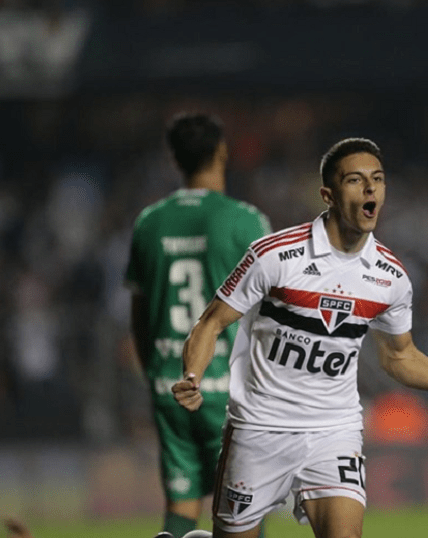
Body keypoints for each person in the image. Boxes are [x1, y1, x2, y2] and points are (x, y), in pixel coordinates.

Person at [171, 137, 428, 538]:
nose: (370, 189)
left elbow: (399, 357)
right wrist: (192, 376)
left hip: (334, 428)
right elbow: (211, 322)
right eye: (355, 180)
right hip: (260, 427)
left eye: (378, 180)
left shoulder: (389, 277)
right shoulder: (275, 256)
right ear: (328, 195)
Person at [125, 113, 272, 538]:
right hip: (226, 385)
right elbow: (269, 311)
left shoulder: (148, 222)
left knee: (181, 500)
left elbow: (138, 311)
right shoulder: (245, 219)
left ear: (175, 159)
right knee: (245, 503)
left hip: (170, 382)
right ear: (222, 152)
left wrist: (153, 367)